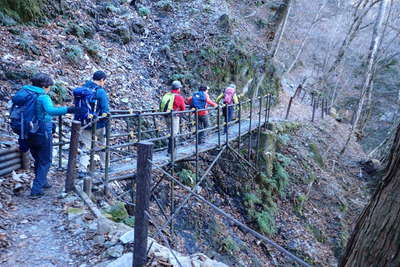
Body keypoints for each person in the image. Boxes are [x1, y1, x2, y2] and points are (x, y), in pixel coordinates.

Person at [11, 73, 75, 198]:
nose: (50, 88)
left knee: (38, 158)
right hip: (41, 131)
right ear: (45, 86)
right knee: (46, 160)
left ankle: (43, 181)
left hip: (26, 131)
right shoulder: (42, 97)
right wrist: (69, 109)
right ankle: (36, 189)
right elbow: (51, 111)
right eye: (49, 86)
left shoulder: (25, 92)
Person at [78, 71, 110, 169]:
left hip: (84, 122)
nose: (104, 83)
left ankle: (82, 169)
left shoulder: (83, 88)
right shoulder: (100, 91)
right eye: (104, 81)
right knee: (102, 144)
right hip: (98, 124)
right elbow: (105, 109)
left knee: (86, 146)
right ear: (101, 80)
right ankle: (105, 167)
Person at [160, 80, 186, 154]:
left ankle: (172, 149)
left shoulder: (168, 95)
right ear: (178, 89)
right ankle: (171, 151)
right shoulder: (178, 97)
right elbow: (183, 108)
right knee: (174, 133)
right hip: (174, 117)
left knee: (170, 132)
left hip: (166, 116)